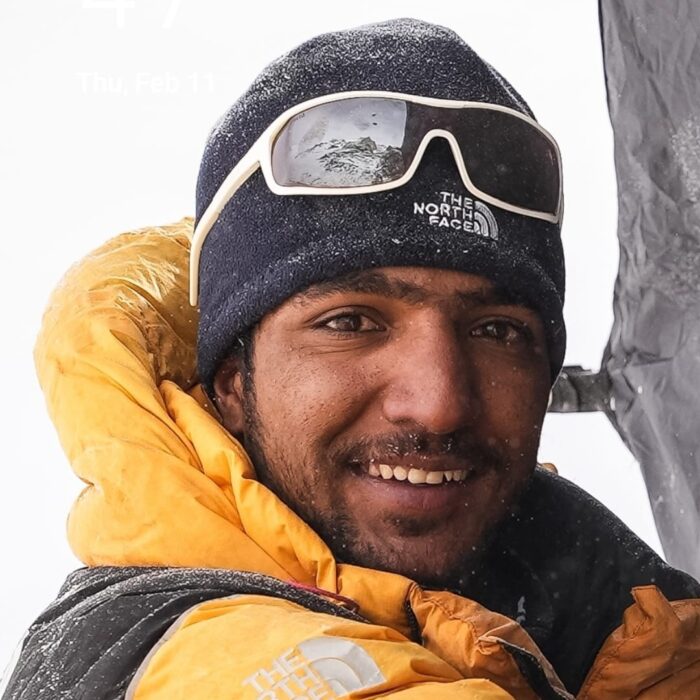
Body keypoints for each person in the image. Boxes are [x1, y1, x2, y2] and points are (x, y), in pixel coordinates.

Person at [4, 17, 700, 700]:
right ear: (232, 383)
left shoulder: (588, 601)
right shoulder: (195, 660)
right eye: (351, 322)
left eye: (496, 330)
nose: (439, 401)